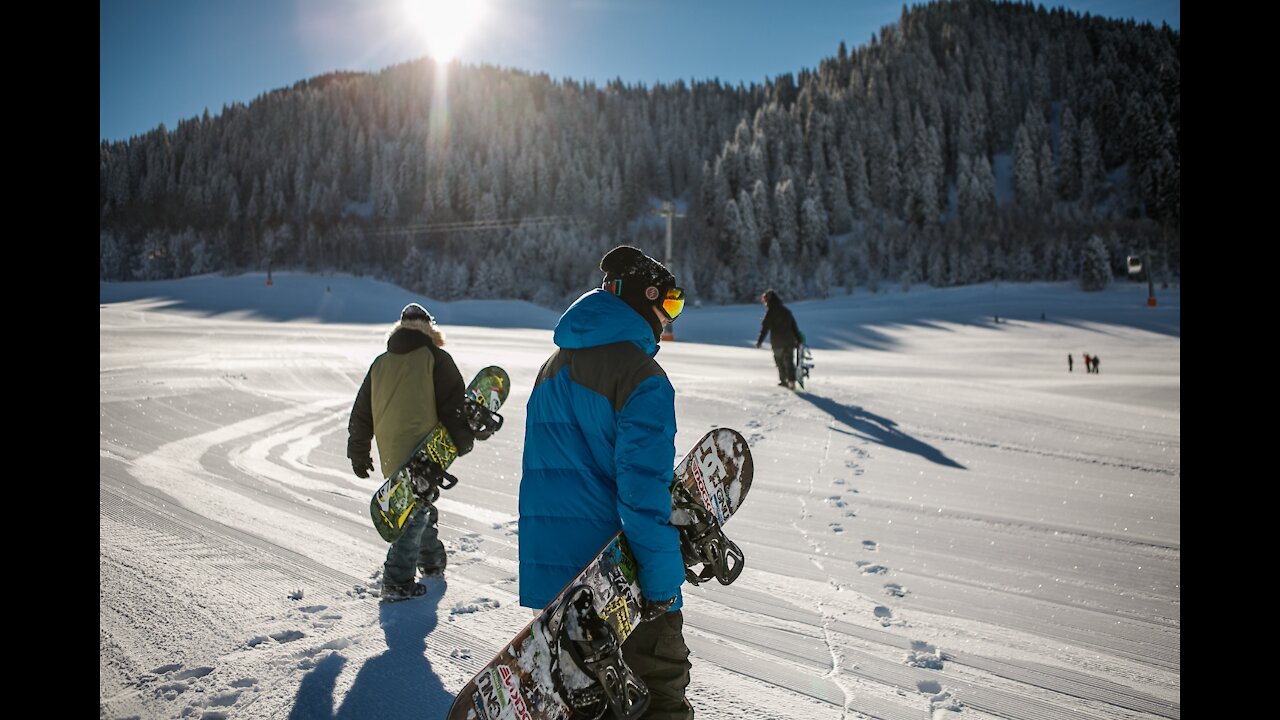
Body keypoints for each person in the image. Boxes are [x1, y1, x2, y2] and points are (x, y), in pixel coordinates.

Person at [520, 245, 692, 719]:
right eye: (670, 304)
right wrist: (661, 586)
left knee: (587, 707)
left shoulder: (551, 367)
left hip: (555, 582)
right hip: (617, 581)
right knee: (659, 697)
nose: (670, 319)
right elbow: (641, 493)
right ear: (644, 299)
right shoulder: (642, 377)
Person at [347, 303, 477, 601]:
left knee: (418, 505)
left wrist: (359, 451)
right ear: (430, 328)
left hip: (391, 451)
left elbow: (361, 413)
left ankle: (432, 562)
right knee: (413, 514)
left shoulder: (380, 362)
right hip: (424, 449)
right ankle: (396, 580)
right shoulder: (436, 358)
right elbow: (453, 406)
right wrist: (462, 439)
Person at [755, 289, 802, 389]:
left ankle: (783, 381)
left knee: (780, 362)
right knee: (789, 361)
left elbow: (765, 329)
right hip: (789, 341)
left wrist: (759, 341)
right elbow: (794, 327)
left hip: (777, 342)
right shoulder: (786, 311)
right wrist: (798, 339)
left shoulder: (770, 313)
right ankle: (792, 382)